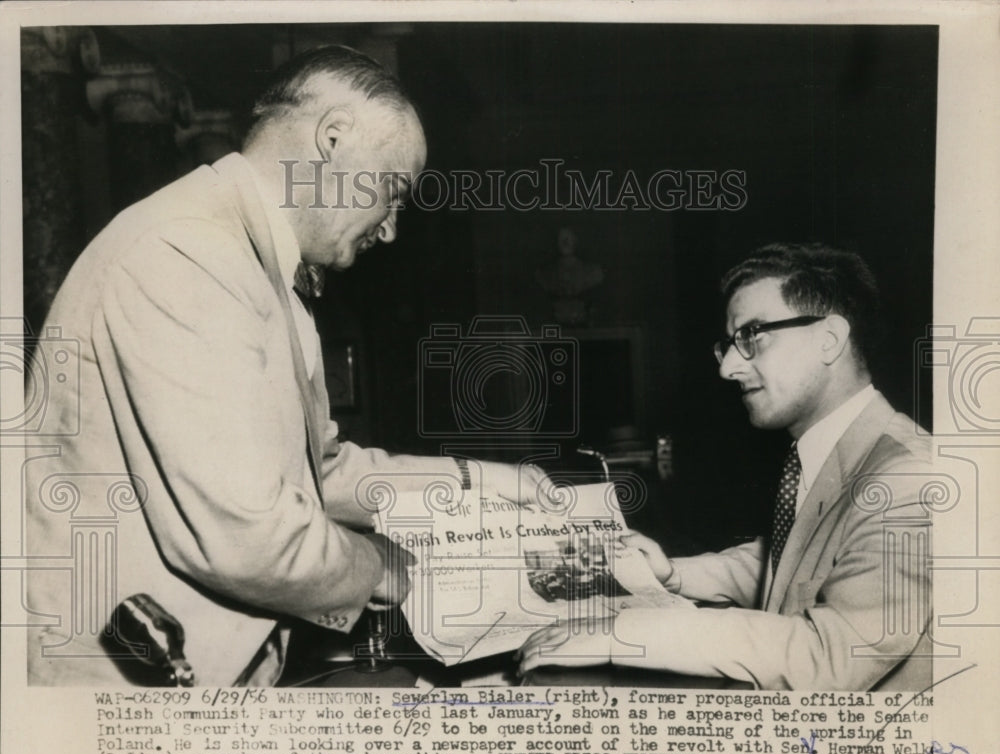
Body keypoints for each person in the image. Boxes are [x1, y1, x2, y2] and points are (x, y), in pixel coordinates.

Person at [24, 46, 546, 686]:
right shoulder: (189, 252)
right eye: (394, 192)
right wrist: (388, 568)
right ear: (332, 139)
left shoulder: (254, 265)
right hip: (129, 698)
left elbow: (316, 473)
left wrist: (486, 483)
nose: (391, 231)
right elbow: (250, 536)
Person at [519, 243, 933, 690]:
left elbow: (831, 653)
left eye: (753, 336)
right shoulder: (832, 448)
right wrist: (676, 576)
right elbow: (798, 562)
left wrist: (625, 633)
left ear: (828, 339)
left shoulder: (908, 478)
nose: (729, 368)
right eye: (730, 345)